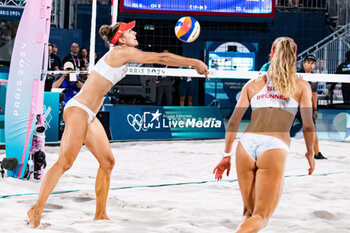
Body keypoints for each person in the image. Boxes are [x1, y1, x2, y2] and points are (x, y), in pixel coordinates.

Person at [27, 20, 209, 228]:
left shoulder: (124, 53)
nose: (134, 32)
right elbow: (162, 57)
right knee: (65, 163)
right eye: (129, 31)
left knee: (107, 162)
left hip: (90, 114)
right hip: (78, 109)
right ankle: (36, 209)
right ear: (121, 39)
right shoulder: (121, 52)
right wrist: (193, 61)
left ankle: (101, 214)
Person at [213, 37, 315, 232]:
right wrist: (310, 153)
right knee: (261, 217)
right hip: (274, 145)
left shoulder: (253, 84)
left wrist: (226, 155)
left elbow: (233, 122)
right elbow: (308, 125)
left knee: (249, 213)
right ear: (294, 57)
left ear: (271, 54)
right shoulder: (301, 85)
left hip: (246, 144)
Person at [297, 54, 327, 160]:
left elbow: (314, 94)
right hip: (294, 106)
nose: (311, 65)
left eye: (313, 63)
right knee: (283, 129)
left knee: (313, 130)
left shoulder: (315, 77)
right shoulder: (297, 74)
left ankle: (317, 153)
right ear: (304, 63)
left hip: (307, 107)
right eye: (308, 62)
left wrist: (315, 109)